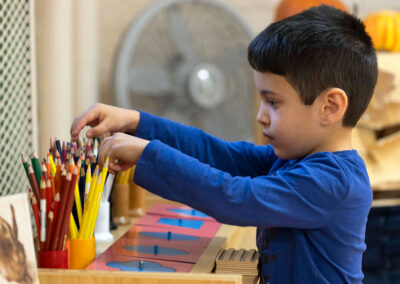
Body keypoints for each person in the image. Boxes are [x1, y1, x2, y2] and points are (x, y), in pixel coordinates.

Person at [71, 5, 377, 283]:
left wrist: (147, 153)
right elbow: (218, 154)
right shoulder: (294, 160)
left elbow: (237, 198)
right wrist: (138, 123)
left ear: (330, 107)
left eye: (274, 102)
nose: (261, 116)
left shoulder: (333, 181)